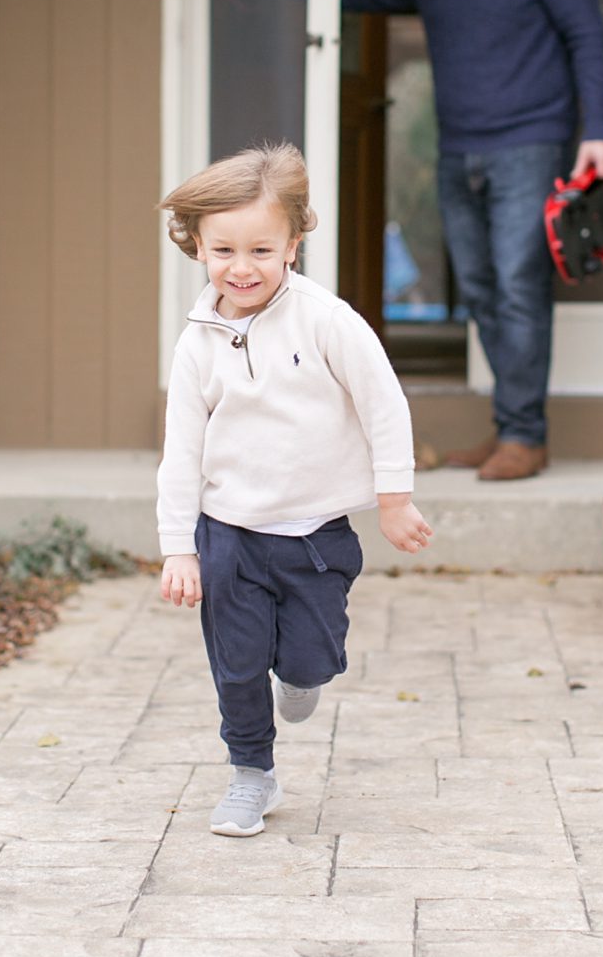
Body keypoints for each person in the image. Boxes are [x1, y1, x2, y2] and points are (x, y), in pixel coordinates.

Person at [155, 144, 431, 837]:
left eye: (260, 249)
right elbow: (180, 454)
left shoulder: (326, 321)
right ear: (198, 249)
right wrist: (178, 548)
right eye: (224, 250)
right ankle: (251, 774)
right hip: (228, 535)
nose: (241, 268)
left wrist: (393, 499)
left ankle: (303, 675)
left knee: (308, 659)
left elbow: (383, 404)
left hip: (314, 536)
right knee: (237, 664)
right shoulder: (198, 344)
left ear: (294, 245)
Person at [342, 0, 603, 482]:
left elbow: (587, 37)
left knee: (520, 286)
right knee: (485, 292)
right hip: (458, 149)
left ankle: (526, 435)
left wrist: (598, 128)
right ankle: (511, 430)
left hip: (529, 141)